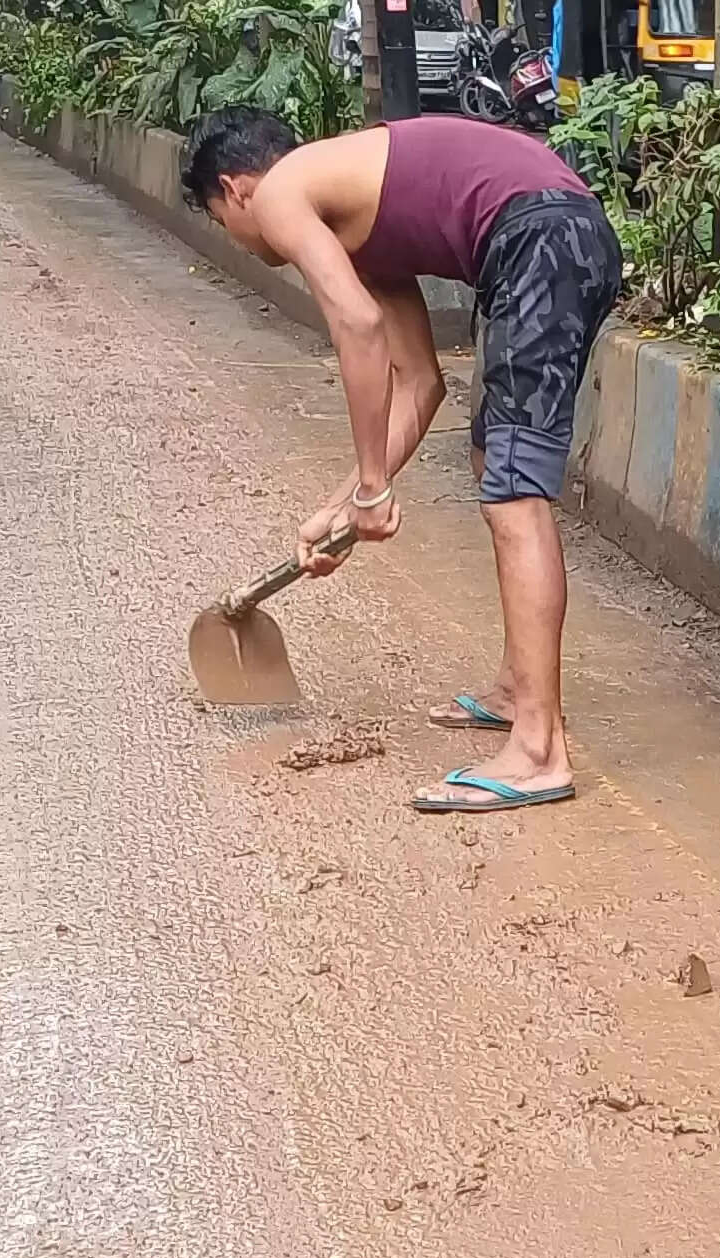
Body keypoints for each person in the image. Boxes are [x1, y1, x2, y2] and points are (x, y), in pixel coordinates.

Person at [185, 107, 623, 814]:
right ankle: (519, 689)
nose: (238, 236)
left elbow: (356, 328)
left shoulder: (280, 193)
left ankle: (539, 752)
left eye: (218, 220)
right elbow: (419, 381)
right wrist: (348, 503)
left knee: (514, 490)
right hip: (558, 237)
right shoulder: (355, 215)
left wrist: (368, 486)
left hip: (540, 238)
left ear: (236, 190)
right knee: (495, 460)